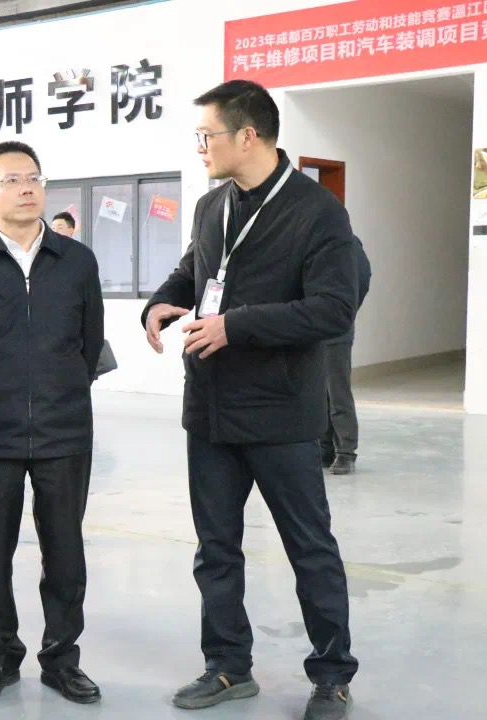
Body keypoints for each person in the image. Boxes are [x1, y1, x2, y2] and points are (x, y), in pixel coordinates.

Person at [142, 80, 358, 720]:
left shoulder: (317, 212)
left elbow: (333, 309)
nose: (200, 146)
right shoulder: (212, 205)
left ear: (248, 135)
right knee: (215, 549)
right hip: (210, 407)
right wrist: (161, 301)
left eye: (206, 134)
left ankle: (332, 675)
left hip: (281, 412)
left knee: (309, 548)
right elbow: (197, 269)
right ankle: (228, 666)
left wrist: (236, 326)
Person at [0, 141, 105, 705]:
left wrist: (59, 390)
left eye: (33, 177)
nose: (27, 188)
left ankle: (61, 659)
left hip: (64, 431)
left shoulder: (77, 262)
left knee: (65, 551)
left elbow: (89, 345)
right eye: (11, 180)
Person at [322, 237, 371, 476]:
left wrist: (343, 314)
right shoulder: (311, 241)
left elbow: (362, 279)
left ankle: (346, 451)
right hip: (310, 330)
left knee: (337, 391)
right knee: (317, 392)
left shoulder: (348, 243)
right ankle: (324, 448)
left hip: (336, 331)